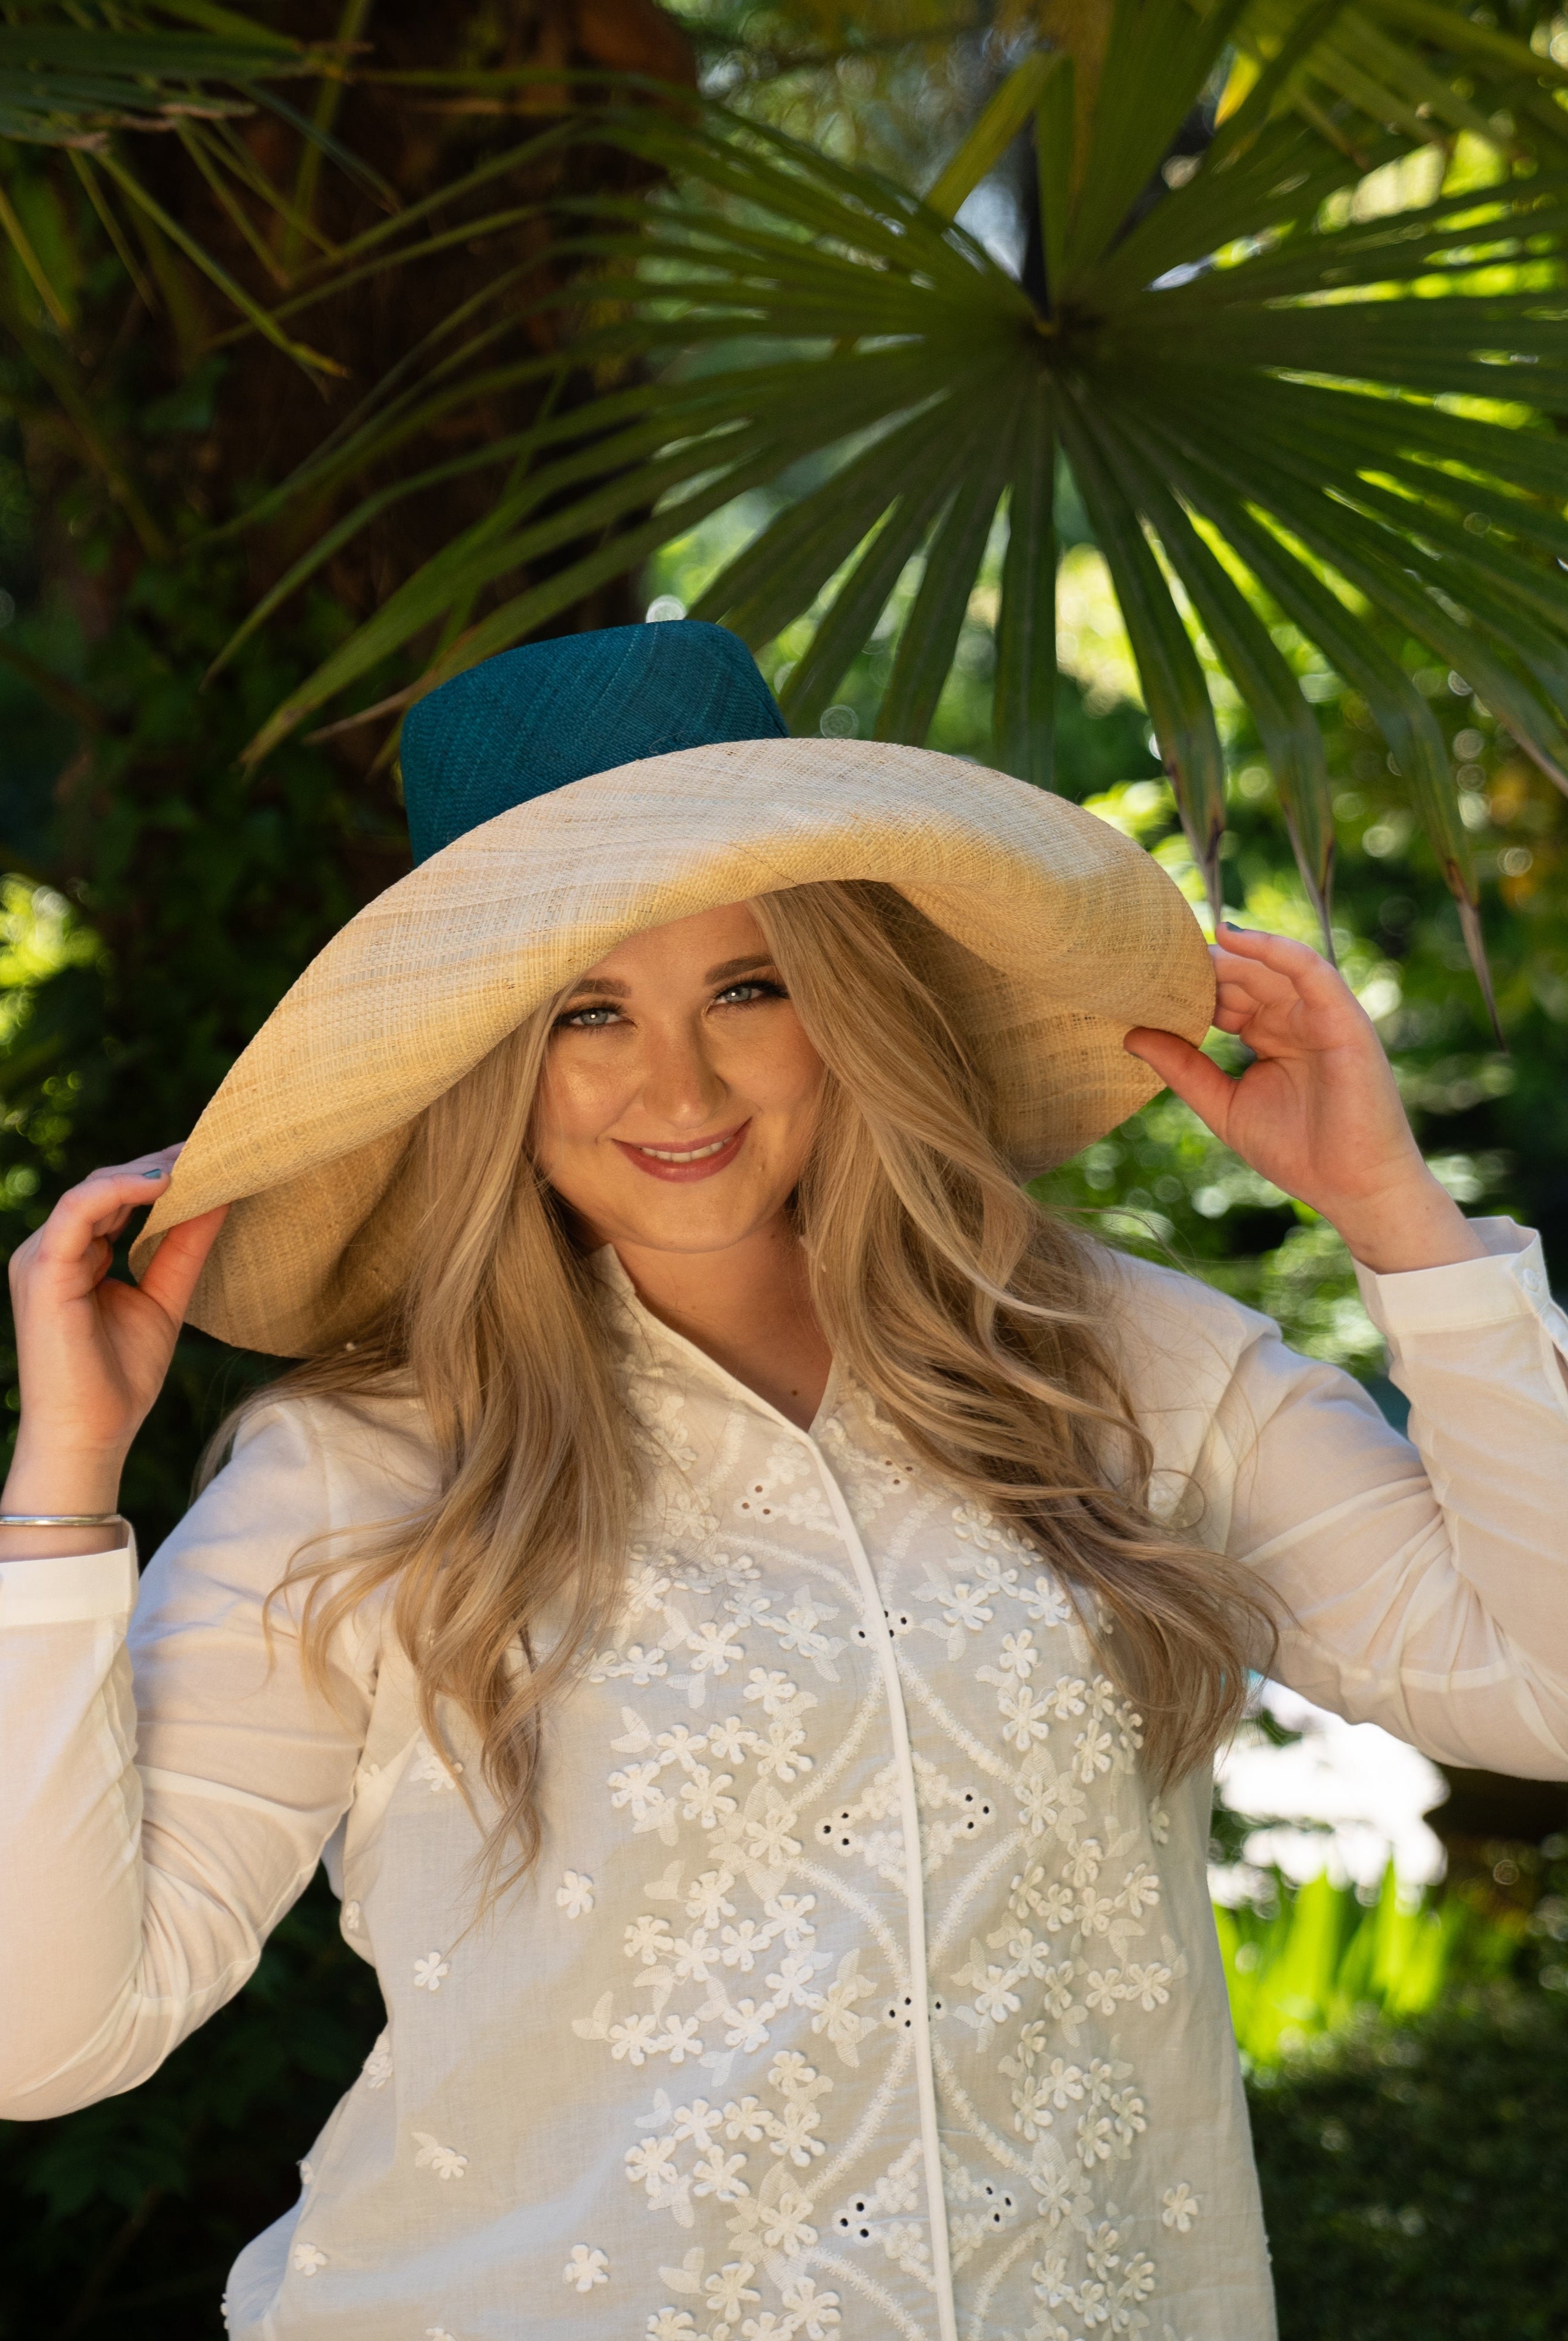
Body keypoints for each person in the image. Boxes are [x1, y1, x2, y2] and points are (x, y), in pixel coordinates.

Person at [2, 621, 1565, 2341]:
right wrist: (65, 1486)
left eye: (747, 987)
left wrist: (1404, 1228)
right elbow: (47, 2037)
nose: (676, 1083)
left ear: (850, 1006)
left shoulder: (1120, 1364)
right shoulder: (359, 1475)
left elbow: (1544, 1688)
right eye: (586, 1012)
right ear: (489, 1065)